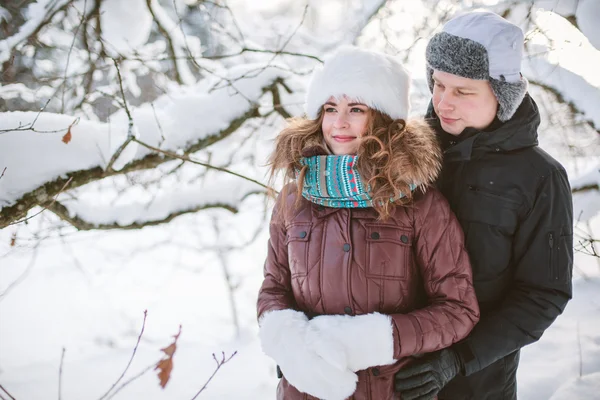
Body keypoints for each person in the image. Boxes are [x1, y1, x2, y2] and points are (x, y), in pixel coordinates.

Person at [256, 45, 480, 400]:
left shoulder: (421, 203)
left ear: (383, 118)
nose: (339, 123)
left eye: (355, 109)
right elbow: (274, 288)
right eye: (330, 109)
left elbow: (458, 310)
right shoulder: (293, 198)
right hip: (307, 390)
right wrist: (286, 339)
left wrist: (377, 339)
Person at [393, 11, 574, 400]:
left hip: (476, 383)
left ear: (501, 93)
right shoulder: (404, 153)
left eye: (463, 91)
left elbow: (543, 294)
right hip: (387, 368)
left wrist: (458, 359)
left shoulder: (539, 177)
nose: (443, 102)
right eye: (438, 85)